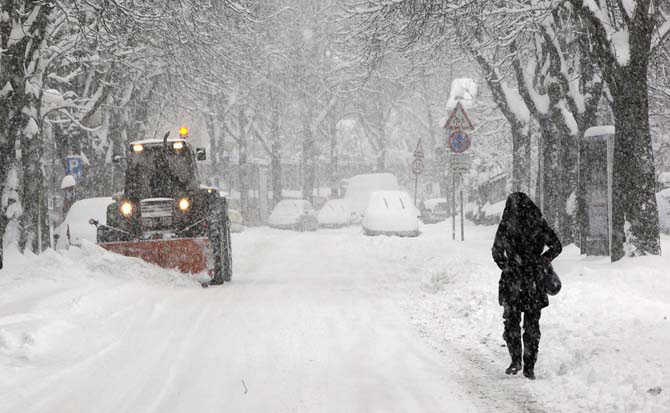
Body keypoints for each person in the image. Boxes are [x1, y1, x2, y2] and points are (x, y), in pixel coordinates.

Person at [491, 192, 562, 380]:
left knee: (512, 322)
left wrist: (508, 266)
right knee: (532, 325)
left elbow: (497, 252)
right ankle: (529, 366)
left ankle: (516, 361)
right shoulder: (538, 222)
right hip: (533, 281)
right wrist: (542, 260)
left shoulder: (507, 224)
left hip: (512, 281)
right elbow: (556, 245)